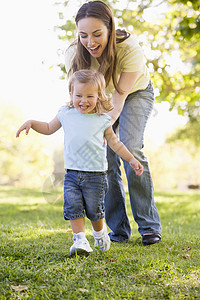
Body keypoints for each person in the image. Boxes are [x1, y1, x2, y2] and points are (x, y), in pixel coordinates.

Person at [64, 1, 162, 245]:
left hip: (134, 93)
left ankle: (149, 227)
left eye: (97, 34)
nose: (90, 42)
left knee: (130, 146)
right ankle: (118, 231)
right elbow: (78, 96)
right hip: (99, 99)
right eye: (83, 35)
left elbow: (119, 98)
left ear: (109, 29)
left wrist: (100, 132)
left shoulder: (129, 49)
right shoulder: (73, 54)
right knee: (104, 159)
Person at [16, 69, 143, 256]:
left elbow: (115, 143)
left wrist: (131, 159)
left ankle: (99, 235)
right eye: (79, 95)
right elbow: (49, 128)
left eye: (90, 96)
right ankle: (80, 240)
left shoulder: (102, 120)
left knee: (94, 209)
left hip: (96, 175)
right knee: (73, 206)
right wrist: (33, 123)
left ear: (99, 96)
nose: (83, 101)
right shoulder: (65, 114)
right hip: (72, 173)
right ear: (71, 94)